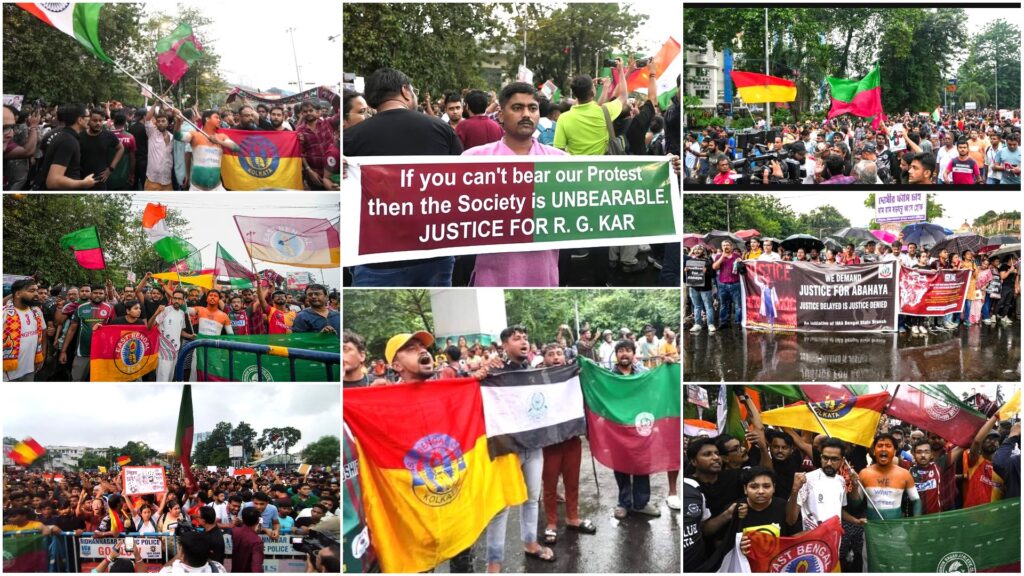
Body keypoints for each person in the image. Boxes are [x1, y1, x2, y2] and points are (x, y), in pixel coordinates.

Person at [343, 67, 461, 286]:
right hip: (433, 251)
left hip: (375, 257)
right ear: (406, 91)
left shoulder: (350, 139)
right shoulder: (441, 129)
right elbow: (460, 183)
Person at [463, 82, 567, 287]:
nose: (526, 114)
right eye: (517, 108)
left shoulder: (561, 162)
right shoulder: (473, 159)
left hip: (544, 274)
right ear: (501, 115)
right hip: (491, 275)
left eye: (532, 108)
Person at [483, 325, 555, 570]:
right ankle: (494, 561)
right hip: (507, 450)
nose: (523, 341)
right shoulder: (494, 372)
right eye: (516, 339)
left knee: (532, 498)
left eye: (525, 338)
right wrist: (480, 372)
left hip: (534, 447)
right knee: (501, 505)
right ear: (504, 345)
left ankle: (530, 543)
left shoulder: (535, 372)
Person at [539, 342, 596, 545]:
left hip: (572, 439)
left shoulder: (575, 375)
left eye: (559, 353)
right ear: (543, 358)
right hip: (549, 441)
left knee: (572, 482)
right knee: (550, 485)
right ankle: (551, 523)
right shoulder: (535, 379)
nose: (556, 357)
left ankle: (573, 517)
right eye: (551, 354)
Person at [554, 58, 632, 155]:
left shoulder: (563, 118)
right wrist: (620, 71)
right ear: (592, 93)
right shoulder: (605, 111)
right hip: (600, 168)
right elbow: (624, 96)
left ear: (575, 95)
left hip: (576, 169)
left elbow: (558, 150)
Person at [172, 108, 241, 191]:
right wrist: (179, 122)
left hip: (217, 189)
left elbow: (236, 148)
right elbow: (177, 136)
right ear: (207, 119)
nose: (219, 120)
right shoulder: (194, 134)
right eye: (216, 117)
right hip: (196, 189)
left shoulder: (222, 137)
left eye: (219, 118)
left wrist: (218, 141)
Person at [856, 433, 921, 519]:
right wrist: (854, 486)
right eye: (880, 446)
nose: (883, 449)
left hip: (896, 529)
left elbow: (916, 501)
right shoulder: (864, 473)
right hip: (872, 529)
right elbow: (855, 504)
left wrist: (916, 524)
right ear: (874, 451)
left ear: (894, 452)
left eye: (888, 446)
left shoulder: (904, 474)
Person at [34, 104, 97, 190]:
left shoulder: (65, 136)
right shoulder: (68, 141)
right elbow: (53, 181)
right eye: (88, 116)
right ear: (80, 119)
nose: (90, 118)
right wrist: (83, 183)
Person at [59, 284, 113, 381]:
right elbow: (71, 330)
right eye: (95, 293)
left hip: (101, 354)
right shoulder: (80, 308)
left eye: (100, 293)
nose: (97, 295)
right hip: (82, 353)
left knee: (99, 382)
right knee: (76, 380)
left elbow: (113, 331)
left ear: (105, 294)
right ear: (91, 294)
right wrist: (63, 351)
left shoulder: (109, 309)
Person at [3, 278, 45, 382]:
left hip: (29, 370)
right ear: (17, 294)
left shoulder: (36, 312)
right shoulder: (4, 313)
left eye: (36, 290)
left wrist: (41, 355)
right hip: (7, 373)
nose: (36, 294)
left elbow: (41, 336)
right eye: (31, 291)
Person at [963, 415, 1005, 507]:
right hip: (972, 516)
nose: (992, 442)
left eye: (995, 440)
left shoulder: (1004, 466)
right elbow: (977, 441)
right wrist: (995, 416)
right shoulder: (975, 460)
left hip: (994, 517)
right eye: (988, 439)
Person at [78, 109, 125, 191]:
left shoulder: (108, 135)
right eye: (95, 120)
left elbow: (121, 148)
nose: (98, 123)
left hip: (100, 180)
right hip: (81, 179)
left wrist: (111, 169)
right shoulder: (80, 136)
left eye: (100, 120)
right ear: (89, 121)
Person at [159, 531, 226, 573]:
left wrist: (178, 556)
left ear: (182, 554)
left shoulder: (169, 571)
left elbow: (162, 570)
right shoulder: (218, 568)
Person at [143, 105, 175, 190]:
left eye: (163, 121)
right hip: (152, 181)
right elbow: (147, 119)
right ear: (156, 123)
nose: (160, 123)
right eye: (159, 121)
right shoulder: (152, 134)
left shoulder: (172, 137)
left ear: (167, 123)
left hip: (167, 181)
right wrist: (155, 103)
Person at [712, 240, 743, 327]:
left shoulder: (737, 256)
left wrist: (740, 262)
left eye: (727, 245)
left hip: (735, 284)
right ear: (722, 247)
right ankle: (723, 322)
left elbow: (743, 269)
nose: (726, 247)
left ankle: (738, 322)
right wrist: (722, 256)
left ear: (731, 246)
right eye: (724, 245)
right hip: (722, 284)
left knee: (738, 305)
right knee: (723, 305)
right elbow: (715, 267)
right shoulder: (718, 256)